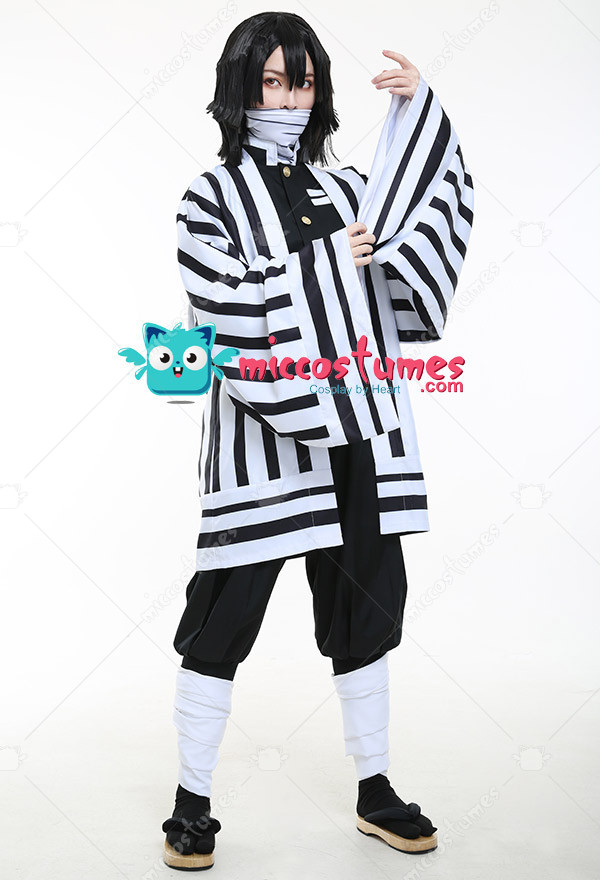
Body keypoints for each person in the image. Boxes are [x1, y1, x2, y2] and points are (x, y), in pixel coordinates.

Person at [161, 11, 474, 871]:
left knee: (366, 610)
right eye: (271, 81)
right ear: (240, 88)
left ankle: (375, 789)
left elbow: (419, 239)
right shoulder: (208, 198)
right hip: (262, 435)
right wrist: (334, 261)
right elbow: (222, 310)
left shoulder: (350, 187)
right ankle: (191, 801)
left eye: (301, 82)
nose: (288, 100)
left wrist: (418, 113)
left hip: (359, 431)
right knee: (223, 612)